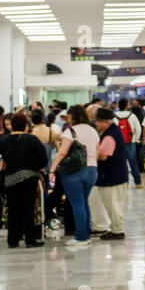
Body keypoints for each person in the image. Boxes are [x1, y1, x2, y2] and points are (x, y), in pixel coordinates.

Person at [0, 112, 49, 248]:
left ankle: (13, 240)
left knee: (13, 208)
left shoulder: (4, 140)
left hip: (10, 178)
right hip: (29, 177)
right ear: (26, 125)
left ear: (11, 126)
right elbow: (44, 159)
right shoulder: (32, 140)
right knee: (28, 208)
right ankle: (29, 239)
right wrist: (35, 167)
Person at [50, 104, 99, 247]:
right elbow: (96, 150)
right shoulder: (93, 130)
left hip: (74, 172)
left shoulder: (70, 131)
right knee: (83, 202)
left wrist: (53, 169)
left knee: (77, 203)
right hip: (91, 170)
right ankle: (86, 234)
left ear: (74, 117)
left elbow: (63, 152)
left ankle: (81, 238)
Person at [91, 107, 129, 240]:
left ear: (104, 122)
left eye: (97, 121)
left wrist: (90, 154)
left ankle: (117, 231)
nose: (96, 124)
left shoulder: (110, 135)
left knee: (113, 205)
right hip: (115, 175)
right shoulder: (112, 131)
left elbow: (103, 156)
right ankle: (114, 228)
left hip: (113, 176)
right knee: (112, 204)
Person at [114, 99, 143, 189]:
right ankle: (138, 183)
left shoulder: (114, 116)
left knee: (121, 163)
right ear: (127, 105)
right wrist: (136, 139)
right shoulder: (132, 116)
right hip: (130, 142)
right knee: (133, 162)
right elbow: (138, 129)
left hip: (118, 143)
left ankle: (124, 182)